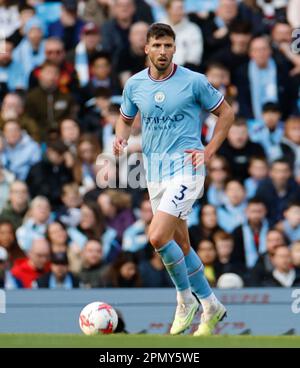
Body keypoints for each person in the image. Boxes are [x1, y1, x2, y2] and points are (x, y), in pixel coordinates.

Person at [113, 23, 234, 336]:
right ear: (147, 49)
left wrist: (208, 151)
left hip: (187, 169)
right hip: (155, 173)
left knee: (157, 237)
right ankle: (211, 304)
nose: (163, 51)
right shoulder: (135, 85)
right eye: (157, 46)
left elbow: (227, 114)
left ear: (175, 48)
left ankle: (184, 300)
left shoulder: (194, 81)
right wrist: (120, 139)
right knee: (180, 243)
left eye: (168, 45)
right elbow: (124, 119)